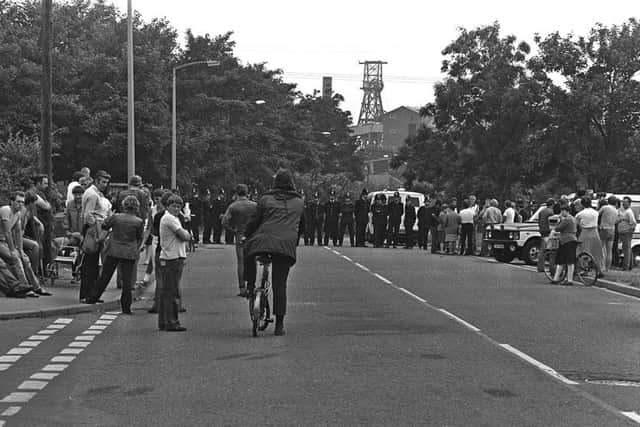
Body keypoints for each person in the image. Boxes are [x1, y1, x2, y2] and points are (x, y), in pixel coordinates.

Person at [243, 169, 304, 336]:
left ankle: (249, 285)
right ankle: (279, 325)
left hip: (263, 240)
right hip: (285, 246)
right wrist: (294, 241)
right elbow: (302, 226)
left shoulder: (265, 199)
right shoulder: (299, 202)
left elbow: (255, 222)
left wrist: (246, 235)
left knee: (247, 251)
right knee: (279, 284)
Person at [85, 196, 144, 313]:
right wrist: (135, 248)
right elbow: (139, 237)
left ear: (124, 206)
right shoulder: (138, 221)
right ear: (136, 208)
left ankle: (92, 298)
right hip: (129, 252)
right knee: (127, 281)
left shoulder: (116, 218)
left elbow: (104, 226)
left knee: (105, 276)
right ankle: (126, 307)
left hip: (114, 249)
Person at [0, 191, 51, 297]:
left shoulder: (18, 214)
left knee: (25, 259)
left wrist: (20, 249)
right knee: (15, 258)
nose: (20, 204)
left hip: (4, 242)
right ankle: (24, 287)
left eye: (22, 202)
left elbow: (18, 232)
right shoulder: (6, 210)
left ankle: (36, 287)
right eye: (18, 202)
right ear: (12, 201)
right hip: (2, 241)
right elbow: (7, 232)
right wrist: (13, 250)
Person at [158, 195, 191, 332]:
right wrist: (187, 234)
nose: (177, 209)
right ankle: (172, 322)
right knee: (172, 292)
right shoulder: (170, 219)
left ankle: (164, 321)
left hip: (172, 256)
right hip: (172, 258)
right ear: (167, 206)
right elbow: (184, 236)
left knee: (167, 291)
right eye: (174, 206)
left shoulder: (171, 218)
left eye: (179, 206)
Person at [80, 170, 111, 302]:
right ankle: (87, 294)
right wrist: (98, 232)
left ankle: (90, 294)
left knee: (91, 263)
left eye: (106, 182)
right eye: (103, 182)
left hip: (94, 229)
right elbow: (88, 215)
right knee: (90, 264)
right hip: (93, 229)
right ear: (96, 180)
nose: (105, 184)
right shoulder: (93, 195)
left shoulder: (94, 193)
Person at [222, 184, 257, 297]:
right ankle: (251, 286)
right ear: (247, 192)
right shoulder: (255, 205)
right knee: (252, 260)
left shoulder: (233, 206)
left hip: (240, 234)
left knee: (241, 262)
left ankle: (242, 288)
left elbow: (224, 222)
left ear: (236, 193)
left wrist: (233, 229)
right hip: (252, 235)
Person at [575, 197, 604, 277]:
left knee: (582, 251)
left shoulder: (580, 214)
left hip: (585, 232)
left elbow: (577, 224)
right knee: (597, 252)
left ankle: (585, 269)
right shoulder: (596, 212)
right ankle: (599, 270)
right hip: (595, 232)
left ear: (582, 204)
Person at [551, 202, 577, 285]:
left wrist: (559, 221)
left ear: (566, 211)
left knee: (561, 261)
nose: (561, 213)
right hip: (573, 239)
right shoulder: (573, 219)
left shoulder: (567, 219)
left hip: (565, 241)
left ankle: (556, 278)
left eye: (562, 211)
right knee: (570, 261)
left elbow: (558, 228)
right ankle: (569, 279)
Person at [598, 196, 618, 272]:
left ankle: (602, 267)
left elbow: (597, 214)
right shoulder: (616, 210)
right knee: (609, 250)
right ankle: (607, 268)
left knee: (602, 248)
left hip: (604, 228)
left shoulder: (605, 207)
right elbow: (616, 221)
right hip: (612, 229)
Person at [618, 196, 637, 271]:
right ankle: (630, 264)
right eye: (623, 202)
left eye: (625, 202)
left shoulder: (629, 212)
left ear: (629, 203)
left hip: (626, 233)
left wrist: (629, 231)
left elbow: (633, 223)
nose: (624, 203)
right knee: (627, 249)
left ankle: (626, 266)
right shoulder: (623, 211)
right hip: (622, 232)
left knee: (626, 250)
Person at [537, 198, 555, 272]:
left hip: (542, 231)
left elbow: (539, 222)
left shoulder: (541, 212)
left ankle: (540, 266)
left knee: (542, 250)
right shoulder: (551, 212)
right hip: (549, 231)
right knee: (551, 250)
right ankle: (552, 268)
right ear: (552, 204)